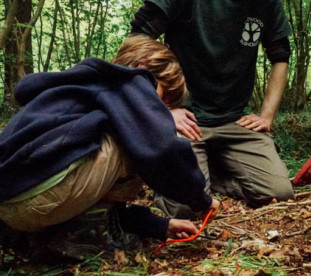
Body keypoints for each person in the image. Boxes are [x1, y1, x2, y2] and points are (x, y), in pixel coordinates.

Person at [0, 35, 220, 260]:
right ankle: (91, 235)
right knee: (145, 132)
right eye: (163, 99)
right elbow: (162, 149)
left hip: (12, 210)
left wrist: (157, 225)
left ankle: (54, 236)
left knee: (133, 131)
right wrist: (199, 199)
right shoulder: (126, 80)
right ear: (142, 67)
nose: (163, 108)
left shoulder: (80, 92)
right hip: (46, 196)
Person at [130, 0, 294, 218]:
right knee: (185, 208)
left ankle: (211, 171)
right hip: (187, 119)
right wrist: (159, 109)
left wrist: (267, 116)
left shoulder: (267, 4)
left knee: (279, 193)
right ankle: (189, 176)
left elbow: (281, 54)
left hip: (235, 121)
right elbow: (137, 38)